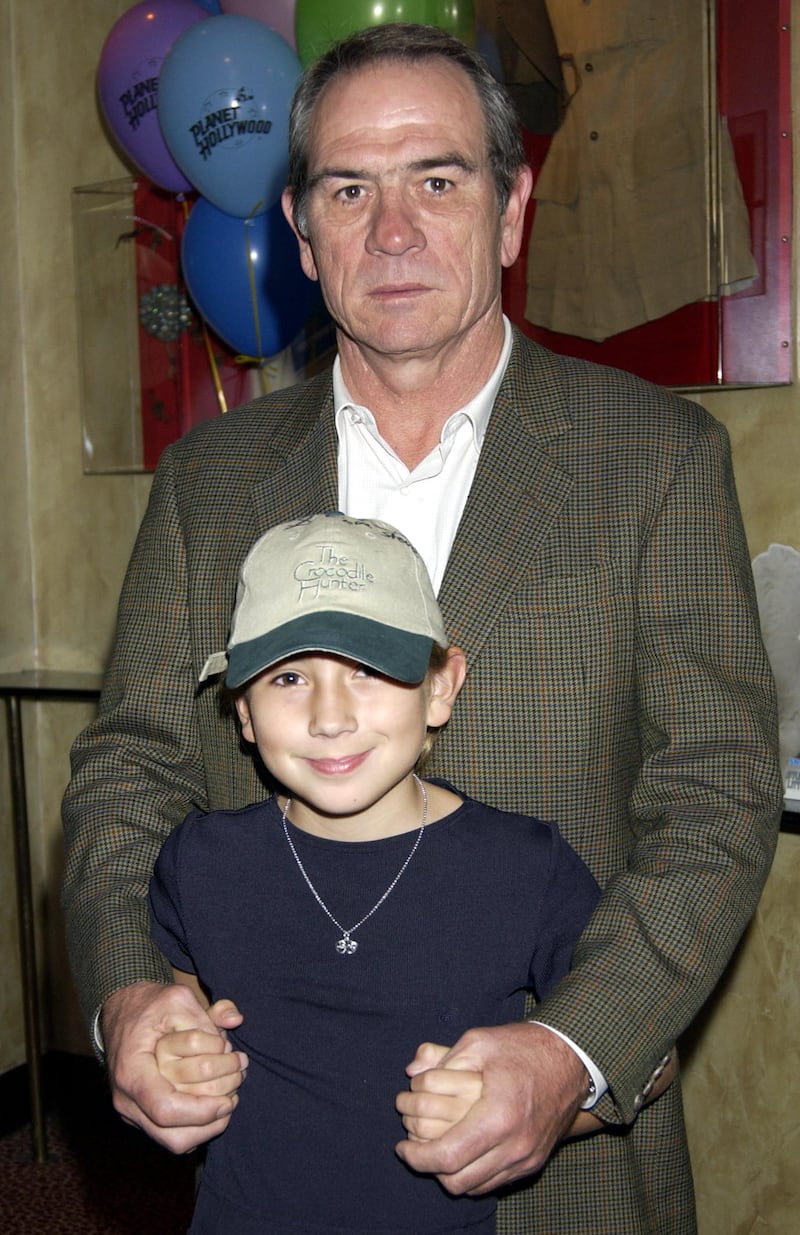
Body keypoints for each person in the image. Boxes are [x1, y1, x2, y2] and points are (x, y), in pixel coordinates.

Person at [61, 21, 782, 1235]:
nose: (391, 231)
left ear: (510, 212)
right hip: (278, 1167)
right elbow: (127, 772)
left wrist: (569, 1049)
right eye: (349, 188)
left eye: (436, 180)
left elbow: (715, 793)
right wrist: (126, 994)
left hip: (562, 1181)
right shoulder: (207, 483)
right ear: (300, 232)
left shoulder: (656, 461)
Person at [148, 510, 607, 1234]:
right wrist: (181, 1062)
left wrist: (533, 1108)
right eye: (289, 676)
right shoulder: (199, 861)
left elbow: (645, 1054)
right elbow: (182, 1015)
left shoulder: (525, 865)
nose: (329, 717)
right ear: (243, 711)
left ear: (440, 687)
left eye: (368, 669)